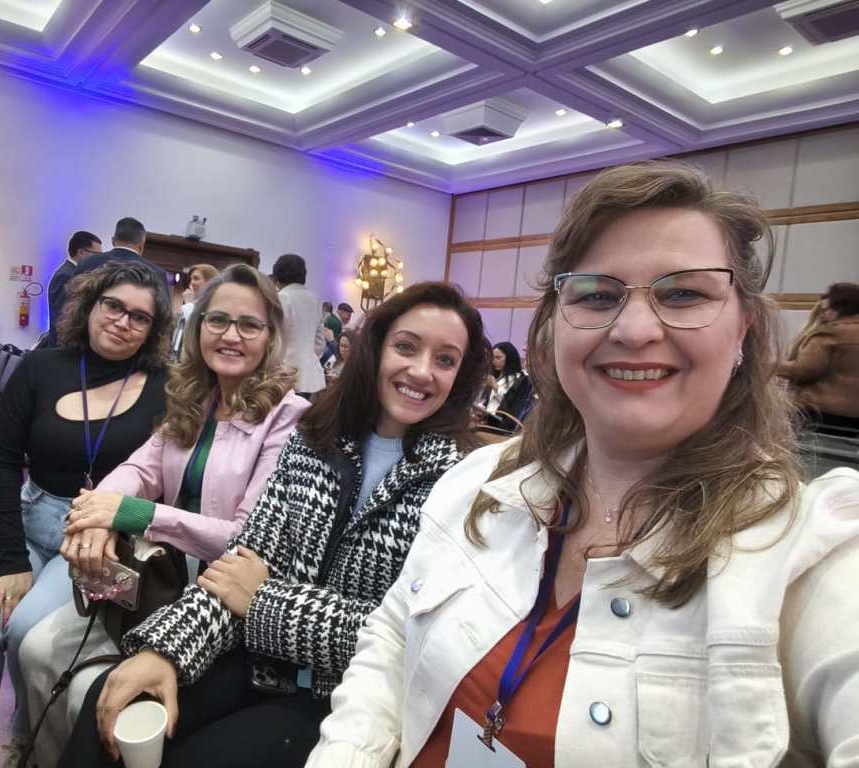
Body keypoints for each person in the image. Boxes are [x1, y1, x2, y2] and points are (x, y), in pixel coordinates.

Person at [306, 162, 859, 767]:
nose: (635, 329)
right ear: (554, 328)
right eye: (598, 295)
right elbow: (392, 638)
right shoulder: (481, 480)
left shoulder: (810, 558)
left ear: (744, 331)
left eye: (683, 294)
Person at [59, 281, 491, 768]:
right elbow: (242, 563)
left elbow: (407, 638)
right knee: (113, 698)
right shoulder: (317, 436)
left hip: (343, 695)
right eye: (406, 347)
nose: (421, 371)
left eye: (445, 360)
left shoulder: (462, 481)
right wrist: (164, 650)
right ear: (376, 349)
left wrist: (265, 601)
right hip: (255, 657)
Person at [18, 264, 308, 767]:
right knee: (34, 651)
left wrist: (131, 513)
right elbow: (139, 468)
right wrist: (99, 516)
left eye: (249, 325)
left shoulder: (288, 417)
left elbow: (244, 536)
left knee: (91, 692)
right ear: (198, 328)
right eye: (218, 320)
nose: (231, 335)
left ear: (270, 337)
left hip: (217, 605)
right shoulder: (196, 396)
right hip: (156, 580)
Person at [0, 261, 174, 767]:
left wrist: (117, 521)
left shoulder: (164, 386)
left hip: (97, 536)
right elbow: (2, 463)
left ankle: (25, 743)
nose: (122, 321)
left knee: (26, 632)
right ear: (90, 305)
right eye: (113, 306)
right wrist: (10, 558)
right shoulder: (41, 367)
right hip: (29, 517)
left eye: (139, 317)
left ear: (153, 330)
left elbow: (165, 479)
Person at [778, 282, 859, 432]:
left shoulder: (831, 333)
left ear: (840, 307)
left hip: (820, 412)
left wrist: (769, 364)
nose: (824, 314)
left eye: (828, 309)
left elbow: (805, 370)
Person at [272, 253, 326, 398]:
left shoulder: (281, 297)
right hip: (309, 376)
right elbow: (320, 342)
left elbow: (274, 337)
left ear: (278, 277)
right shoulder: (315, 300)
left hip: (283, 374)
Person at [72, 217, 167, 286]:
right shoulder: (157, 273)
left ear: (113, 240)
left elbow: (71, 301)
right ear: (141, 245)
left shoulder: (87, 263)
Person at [46, 230, 102, 347]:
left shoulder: (74, 273)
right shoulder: (66, 275)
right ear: (81, 252)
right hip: (62, 346)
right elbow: (61, 316)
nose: (99, 260)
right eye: (97, 255)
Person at [475, 341, 535, 432]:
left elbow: (512, 403)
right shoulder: (496, 377)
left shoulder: (521, 379)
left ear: (509, 358)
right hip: (488, 421)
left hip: (503, 426)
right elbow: (491, 402)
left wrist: (494, 386)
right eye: (493, 358)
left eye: (498, 358)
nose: (494, 361)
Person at [172, 262, 219, 355]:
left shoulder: (215, 305)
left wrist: (188, 304)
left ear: (210, 282)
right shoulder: (194, 304)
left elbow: (196, 330)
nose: (191, 283)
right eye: (191, 279)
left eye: (196, 278)